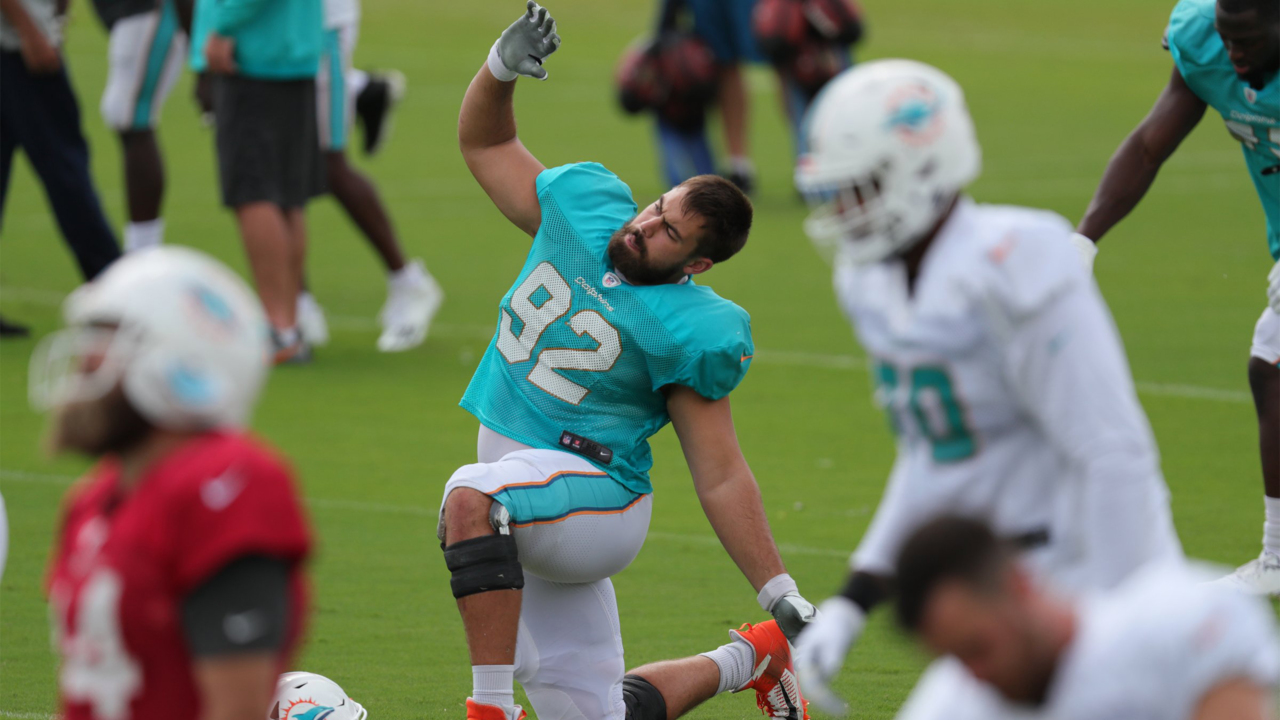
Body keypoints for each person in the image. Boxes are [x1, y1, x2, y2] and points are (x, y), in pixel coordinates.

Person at [444, 4, 818, 719]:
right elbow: (486, 145)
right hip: (529, 489)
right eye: (656, 207)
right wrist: (498, 70)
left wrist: (778, 585)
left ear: (698, 261)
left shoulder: (691, 329)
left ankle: (488, 709)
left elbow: (720, 470)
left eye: (668, 232)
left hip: (595, 500)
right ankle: (752, 657)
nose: (644, 226)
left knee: (472, 499)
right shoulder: (586, 212)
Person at [787, 59, 1183, 717]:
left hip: (1093, 579)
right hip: (994, 592)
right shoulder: (868, 284)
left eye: (860, 187)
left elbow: (1112, 454)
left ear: (921, 168)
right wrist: (854, 601)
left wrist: (1118, 627)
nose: (844, 209)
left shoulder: (1016, 260)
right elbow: (932, 456)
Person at [29, 246, 312, 720]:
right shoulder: (92, 499)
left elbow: (234, 710)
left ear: (180, 364)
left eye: (109, 338)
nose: (84, 361)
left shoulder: (227, 485)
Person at [1071, 0, 1280, 594]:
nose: (1235, 53)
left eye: (1250, 39)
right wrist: (1083, 239)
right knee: (1271, 368)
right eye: (1227, 38)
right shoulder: (1202, 41)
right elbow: (1148, 145)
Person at [894, 515, 1279, 720]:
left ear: (1019, 587)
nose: (974, 674)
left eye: (977, 647)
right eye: (953, 658)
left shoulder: (1180, 624)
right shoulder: (951, 705)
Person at [297, 0, 442, 353]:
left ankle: (408, 281)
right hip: (268, 27)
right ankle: (293, 307)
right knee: (277, 169)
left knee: (325, 163)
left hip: (317, 22)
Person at [189, 0, 325, 363]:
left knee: (255, 193)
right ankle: (288, 327)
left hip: (254, 53)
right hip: (289, 52)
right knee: (286, 198)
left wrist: (223, 26)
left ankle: (278, 329)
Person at [0, 0, 122, 335]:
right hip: (17, 46)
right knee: (65, 169)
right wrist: (31, 32)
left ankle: (115, 287)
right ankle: (117, 292)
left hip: (19, 39)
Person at [93, 0, 186, 253]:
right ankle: (142, 249)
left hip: (153, 11)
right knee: (126, 116)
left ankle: (142, 250)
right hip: (135, 15)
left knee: (131, 116)